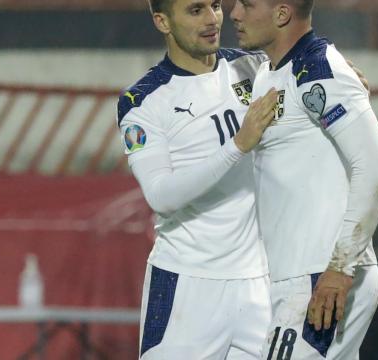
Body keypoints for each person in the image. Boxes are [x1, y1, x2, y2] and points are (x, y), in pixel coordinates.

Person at [230, 0, 378, 358]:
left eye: (246, 4)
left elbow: (377, 166)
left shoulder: (318, 72)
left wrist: (339, 268)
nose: (234, 14)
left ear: (281, 14)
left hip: (320, 277)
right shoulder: (269, 72)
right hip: (297, 276)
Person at [116, 0, 279, 358]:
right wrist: (237, 145)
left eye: (216, 5)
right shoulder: (143, 102)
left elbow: (307, 68)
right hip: (188, 287)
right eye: (195, 10)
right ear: (163, 21)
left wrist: (343, 76)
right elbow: (161, 195)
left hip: (259, 283)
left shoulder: (251, 66)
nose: (212, 19)